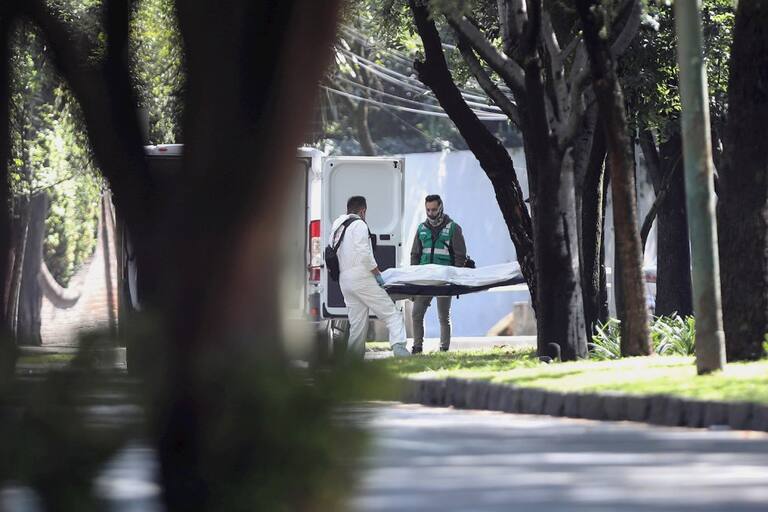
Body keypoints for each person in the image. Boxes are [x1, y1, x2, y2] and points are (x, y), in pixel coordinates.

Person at [329, 195, 410, 359]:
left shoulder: (337, 227)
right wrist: (377, 274)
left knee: (357, 324)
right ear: (363, 211)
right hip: (361, 277)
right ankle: (400, 350)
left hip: (345, 280)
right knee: (392, 314)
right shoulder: (359, 224)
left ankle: (352, 360)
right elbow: (364, 253)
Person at [410, 194, 467, 354]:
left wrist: (454, 277)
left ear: (441, 208)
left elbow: (460, 256)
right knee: (416, 314)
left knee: (443, 316)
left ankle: (444, 349)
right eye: (428, 210)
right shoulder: (421, 228)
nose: (431, 213)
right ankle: (417, 347)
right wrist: (413, 278)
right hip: (425, 279)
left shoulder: (453, 228)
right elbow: (415, 255)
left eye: (434, 209)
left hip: (444, 279)